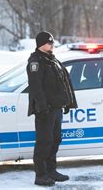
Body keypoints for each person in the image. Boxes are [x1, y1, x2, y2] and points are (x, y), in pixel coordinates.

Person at [26, 31, 77, 186]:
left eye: (52, 43)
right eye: (50, 43)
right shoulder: (36, 61)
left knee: (55, 139)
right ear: (42, 44)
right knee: (44, 142)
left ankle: (51, 170)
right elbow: (35, 87)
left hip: (56, 108)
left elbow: (63, 83)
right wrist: (43, 106)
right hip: (45, 110)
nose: (52, 45)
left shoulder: (51, 59)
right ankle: (40, 175)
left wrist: (67, 103)